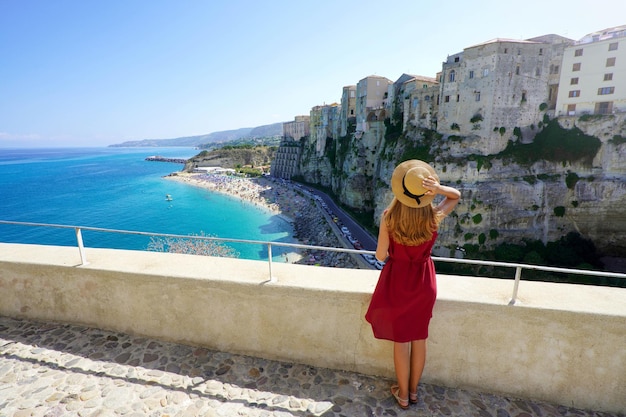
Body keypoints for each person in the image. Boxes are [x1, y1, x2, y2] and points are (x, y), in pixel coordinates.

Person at [365, 159, 460, 410]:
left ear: (399, 190)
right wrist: (438, 189)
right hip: (423, 282)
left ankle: (403, 395)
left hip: (398, 281)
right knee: (420, 338)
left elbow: (380, 256)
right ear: (425, 192)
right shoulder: (433, 215)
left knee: (401, 341)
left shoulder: (389, 218)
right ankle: (415, 392)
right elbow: (456, 196)